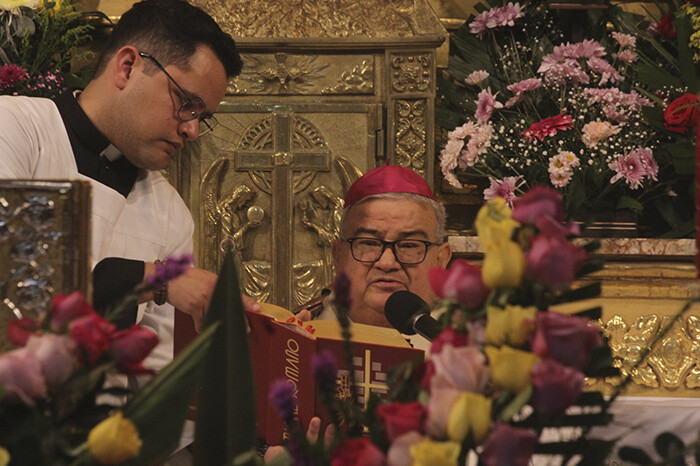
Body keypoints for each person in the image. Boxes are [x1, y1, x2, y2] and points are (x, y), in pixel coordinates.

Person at [0, 0, 252, 459]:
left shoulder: (170, 213)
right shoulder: (15, 128)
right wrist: (150, 278)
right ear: (129, 66)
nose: (193, 129)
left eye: (203, 116)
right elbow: (14, 294)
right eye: (186, 103)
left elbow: (154, 383)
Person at [299, 164, 452, 331]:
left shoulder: (466, 346)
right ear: (338, 256)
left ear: (441, 260)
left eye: (408, 245)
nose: (387, 263)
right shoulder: (297, 343)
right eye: (369, 243)